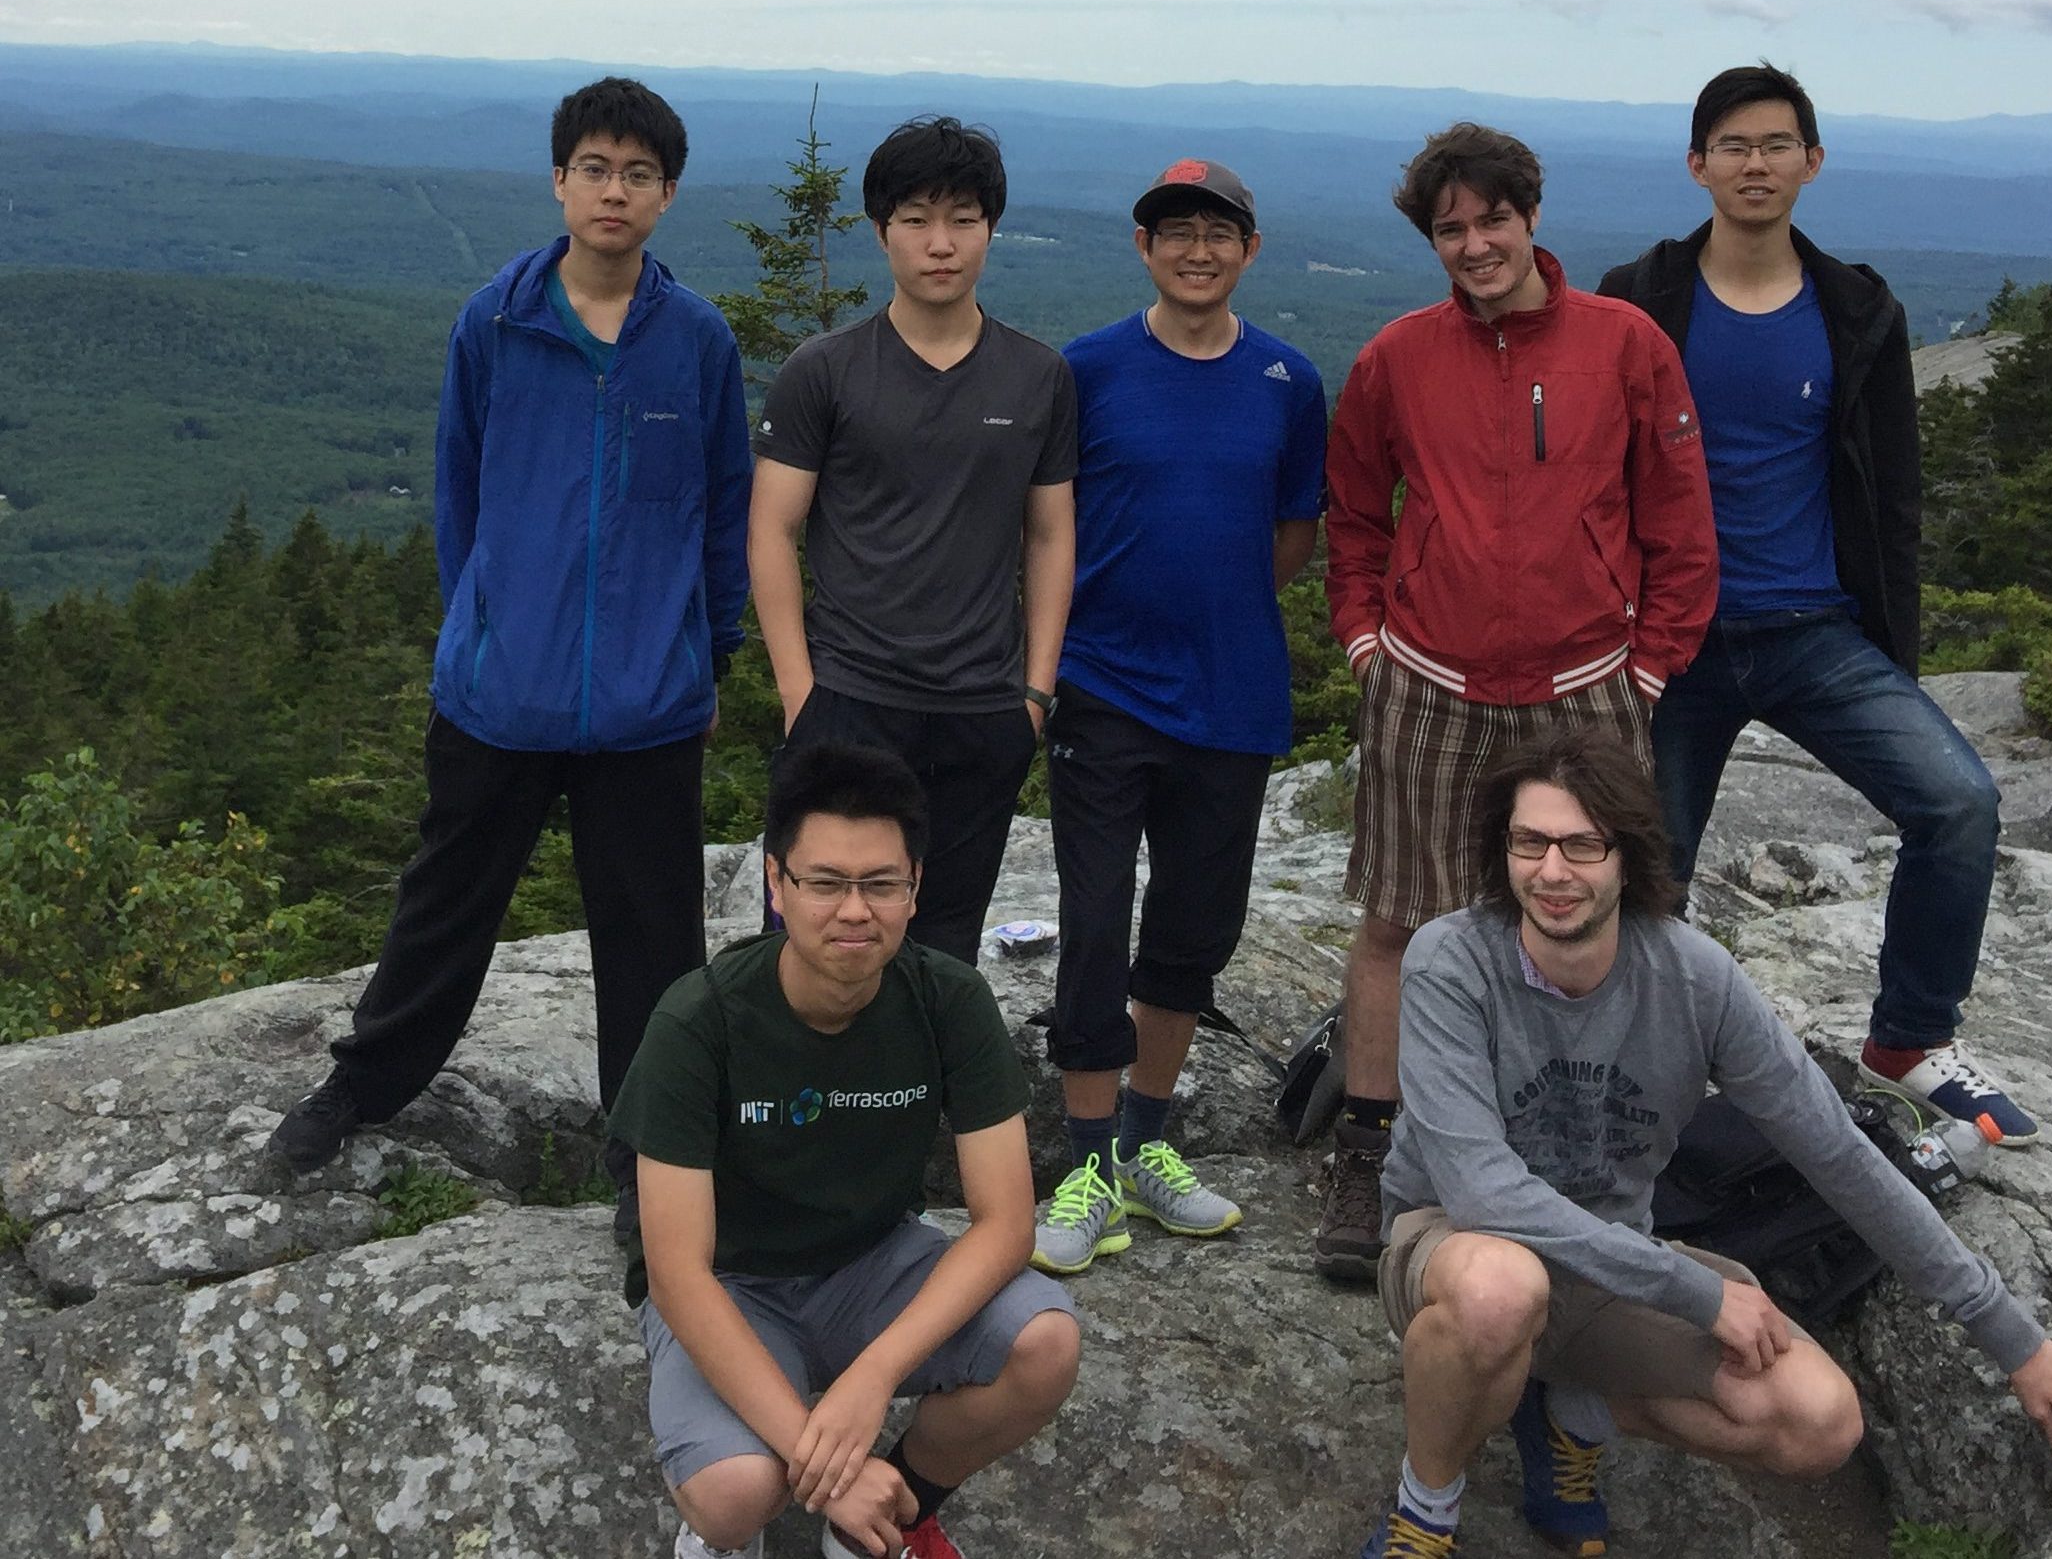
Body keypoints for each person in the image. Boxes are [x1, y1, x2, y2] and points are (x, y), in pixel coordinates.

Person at [1361, 729, 2052, 1558]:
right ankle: (1427, 1509)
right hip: (1459, 1247)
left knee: (1819, 1421)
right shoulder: (1453, 960)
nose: (1552, 872)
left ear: (1628, 856)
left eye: (1582, 845)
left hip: (1608, 1260)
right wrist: (1696, 1290)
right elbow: (1482, 1193)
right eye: (1529, 842)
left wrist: (2018, 1344)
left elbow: (1840, 1156)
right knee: (1502, 1290)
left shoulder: (1694, 979)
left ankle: (1567, 1412)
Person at [269, 77, 752, 1244]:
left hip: (645, 699)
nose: (615, 191)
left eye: (639, 174)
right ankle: (362, 1087)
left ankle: (647, 1158)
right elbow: (461, 491)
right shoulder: (496, 321)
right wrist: (478, 626)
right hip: (500, 689)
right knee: (446, 904)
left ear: (667, 194)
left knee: (652, 936)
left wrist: (710, 653)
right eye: (596, 167)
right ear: (559, 179)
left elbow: (724, 511)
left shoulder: (694, 341)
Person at [1597, 63, 2033, 1141]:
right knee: (1652, 869)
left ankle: (1910, 1041)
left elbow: (1891, 490)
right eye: (1734, 146)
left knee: (1958, 804)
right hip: (1673, 639)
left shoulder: (1855, 310)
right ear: (1697, 165)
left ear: (1811, 162)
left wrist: (1896, 648)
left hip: (1812, 629)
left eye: (1777, 144)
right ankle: (1639, 1065)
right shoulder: (1638, 297)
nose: (1757, 163)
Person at [1316, 122, 1719, 1281]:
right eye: (1451, 227)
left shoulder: (1624, 344)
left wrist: (1649, 669)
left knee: (1606, 925)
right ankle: (1373, 1149)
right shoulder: (1398, 357)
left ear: (1530, 218)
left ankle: (1600, 1153)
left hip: (1586, 687)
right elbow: (1355, 512)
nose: (1475, 242)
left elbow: (1678, 518)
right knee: (1400, 917)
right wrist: (1363, 640)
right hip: (1428, 684)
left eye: (1492, 219)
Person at [613, 741, 1080, 1559]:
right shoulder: (701, 1020)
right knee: (734, 1495)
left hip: (872, 1263)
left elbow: (1006, 1224)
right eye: (825, 882)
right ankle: (763, 1522)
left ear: (915, 887)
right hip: (734, 1280)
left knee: (1045, 1344)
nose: (854, 911)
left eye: (880, 884)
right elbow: (677, 1269)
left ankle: (881, 1524)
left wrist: (871, 1381)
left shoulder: (948, 999)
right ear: (776, 883)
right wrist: (815, 1448)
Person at [1028, 159, 1328, 1275]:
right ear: (1143, 248)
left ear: (1249, 249)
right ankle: (1089, 1158)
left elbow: (1291, 537)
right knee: (1096, 921)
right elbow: (1044, 523)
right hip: (1103, 687)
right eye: (1174, 232)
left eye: (1218, 232)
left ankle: (1146, 1147)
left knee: (1194, 933)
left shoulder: (1289, 381)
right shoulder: (1088, 370)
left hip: (1232, 693)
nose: (1196, 250)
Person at [748, 116, 1076, 967]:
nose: (941, 243)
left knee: (942, 945)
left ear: (991, 229)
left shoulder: (1037, 377)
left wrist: (1033, 697)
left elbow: (1048, 536)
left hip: (982, 709)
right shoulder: (826, 370)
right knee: (812, 944)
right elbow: (772, 528)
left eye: (964, 219)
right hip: (849, 698)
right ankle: (799, 1103)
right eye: (916, 219)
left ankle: (915, 1102)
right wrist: (801, 696)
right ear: (880, 229)